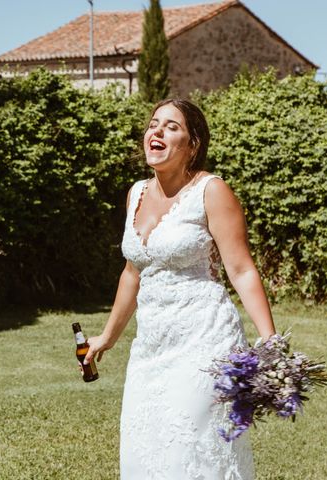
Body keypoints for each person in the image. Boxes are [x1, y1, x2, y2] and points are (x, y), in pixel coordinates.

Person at [84, 99, 276, 479]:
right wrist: (107, 337)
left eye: (172, 126)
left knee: (189, 454)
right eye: (154, 124)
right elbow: (132, 272)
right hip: (151, 346)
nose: (156, 131)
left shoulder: (212, 191)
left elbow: (241, 270)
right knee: (145, 451)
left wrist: (270, 342)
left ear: (193, 144)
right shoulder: (136, 193)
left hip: (205, 340)